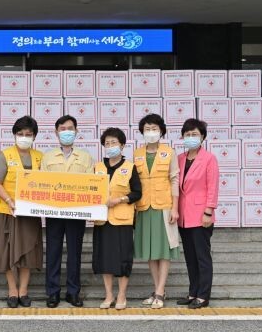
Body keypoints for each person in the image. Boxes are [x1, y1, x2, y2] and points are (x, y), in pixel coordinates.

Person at [41, 115, 94, 308]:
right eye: (62, 129)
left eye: (70, 128)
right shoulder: (47, 157)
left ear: (76, 131)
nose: (67, 132)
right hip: (54, 212)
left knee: (74, 253)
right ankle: (52, 292)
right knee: (53, 252)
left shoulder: (86, 157)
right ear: (56, 132)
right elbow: (42, 184)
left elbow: (91, 184)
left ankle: (73, 292)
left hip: (77, 213)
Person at [0, 116, 43, 308]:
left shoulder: (40, 157)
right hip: (8, 211)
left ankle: (24, 290)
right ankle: (12, 290)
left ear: (34, 136)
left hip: (30, 213)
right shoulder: (5, 155)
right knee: (7, 251)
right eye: (20, 134)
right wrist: (8, 200)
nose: (24, 137)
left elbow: (47, 184)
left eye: (28, 134)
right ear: (14, 135)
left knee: (29, 251)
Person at [133, 114, 180, 309]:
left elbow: (175, 180)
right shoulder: (137, 154)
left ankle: (160, 291)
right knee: (151, 251)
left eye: (154, 129)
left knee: (164, 250)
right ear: (142, 132)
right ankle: (157, 289)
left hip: (164, 206)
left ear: (161, 131)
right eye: (147, 129)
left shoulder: (169, 152)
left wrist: (175, 208)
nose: (151, 132)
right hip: (144, 207)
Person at [93, 128, 142, 311]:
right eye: (107, 143)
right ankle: (109, 295)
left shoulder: (130, 167)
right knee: (104, 259)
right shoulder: (98, 167)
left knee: (123, 259)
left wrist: (120, 199)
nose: (110, 146)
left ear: (122, 145)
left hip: (122, 221)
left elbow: (137, 193)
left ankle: (121, 295)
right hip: (102, 220)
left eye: (114, 142)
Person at [177, 118, 219, 309]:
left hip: (202, 215)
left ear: (202, 137)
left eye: (194, 134)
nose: (191, 137)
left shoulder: (209, 158)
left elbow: (212, 186)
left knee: (202, 257)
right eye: (187, 134)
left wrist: (209, 211)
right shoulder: (180, 158)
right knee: (190, 258)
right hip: (184, 217)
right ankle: (193, 292)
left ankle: (203, 295)